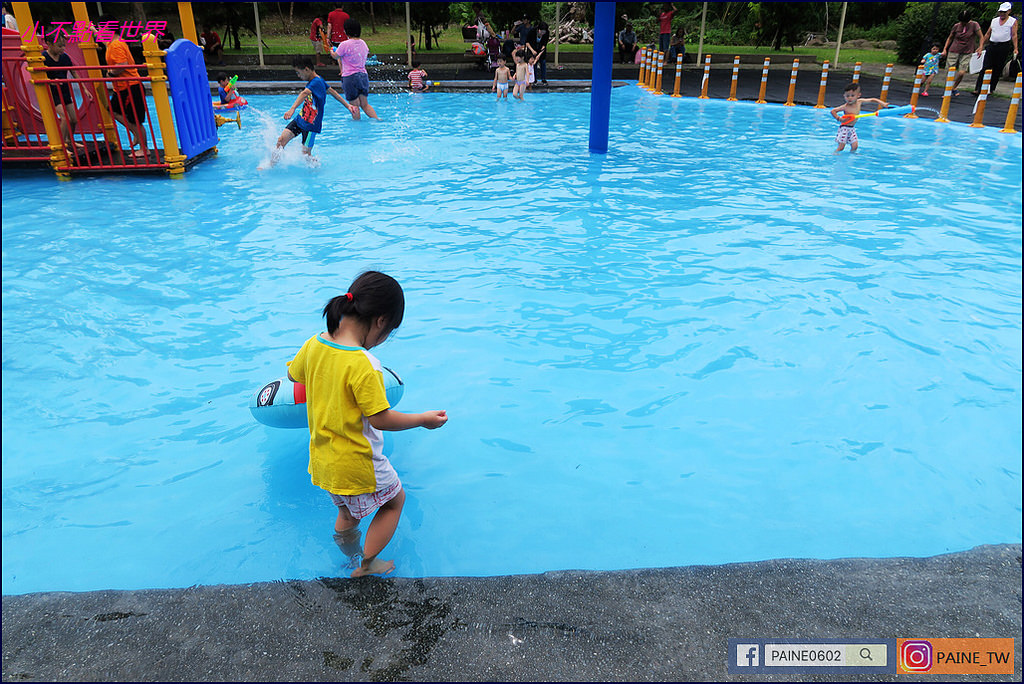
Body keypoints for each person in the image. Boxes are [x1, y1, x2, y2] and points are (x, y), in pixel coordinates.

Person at [287, 272, 448, 577]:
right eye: (388, 333)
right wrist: (423, 420)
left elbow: (296, 376)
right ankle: (367, 564)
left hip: (324, 461)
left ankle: (350, 557)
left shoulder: (314, 344)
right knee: (394, 501)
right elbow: (380, 418)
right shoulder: (363, 365)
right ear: (380, 322)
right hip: (358, 463)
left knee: (347, 513)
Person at [263, 57, 353, 168]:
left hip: (311, 126)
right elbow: (333, 92)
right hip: (300, 119)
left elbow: (304, 93)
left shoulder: (316, 82)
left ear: (306, 69)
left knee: (305, 155)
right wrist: (348, 105)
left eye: (298, 72)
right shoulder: (318, 80)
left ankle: (316, 169)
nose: (298, 75)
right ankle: (270, 165)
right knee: (281, 141)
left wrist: (292, 108)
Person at [104, 29, 149, 160]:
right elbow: (104, 42)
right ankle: (135, 133)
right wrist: (93, 30)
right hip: (122, 88)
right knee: (114, 111)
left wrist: (110, 74)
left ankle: (144, 149)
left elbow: (122, 65)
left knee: (135, 119)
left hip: (130, 86)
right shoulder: (113, 43)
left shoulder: (116, 45)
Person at [42, 34, 83, 155]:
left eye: (64, 46)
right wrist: (51, 82)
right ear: (49, 44)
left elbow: (73, 72)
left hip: (64, 91)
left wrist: (84, 89)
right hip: (52, 92)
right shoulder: (43, 58)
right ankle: (61, 145)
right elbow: (39, 75)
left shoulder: (64, 57)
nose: (63, 49)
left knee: (74, 119)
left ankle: (70, 140)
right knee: (65, 118)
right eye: (60, 46)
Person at [331, 18, 379, 121]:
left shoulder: (344, 44)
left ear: (346, 31)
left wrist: (331, 51)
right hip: (363, 76)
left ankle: (357, 127)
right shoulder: (363, 43)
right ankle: (377, 120)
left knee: (354, 106)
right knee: (365, 105)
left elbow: (336, 56)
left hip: (350, 77)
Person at [974, 2, 1019, 96]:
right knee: (986, 66)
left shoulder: (1012, 21)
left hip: (1003, 46)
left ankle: (991, 88)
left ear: (1009, 11)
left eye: (1004, 12)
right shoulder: (994, 21)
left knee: (997, 67)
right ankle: (978, 88)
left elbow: (1014, 35)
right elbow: (987, 34)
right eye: (1001, 12)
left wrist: (1015, 48)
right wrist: (981, 45)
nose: (1002, 14)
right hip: (992, 45)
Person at [829, 82, 889, 153]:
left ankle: (852, 155)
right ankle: (835, 154)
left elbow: (872, 100)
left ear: (858, 95)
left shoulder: (859, 102)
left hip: (852, 128)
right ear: (844, 96)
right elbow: (833, 111)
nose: (850, 98)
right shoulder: (845, 106)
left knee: (855, 146)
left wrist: (882, 103)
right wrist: (839, 118)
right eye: (847, 96)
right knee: (841, 147)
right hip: (844, 128)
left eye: (852, 95)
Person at [942, 9, 984, 95]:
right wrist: (945, 49)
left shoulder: (974, 25)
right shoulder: (956, 26)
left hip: (967, 51)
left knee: (962, 72)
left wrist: (980, 47)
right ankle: (948, 90)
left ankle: (954, 87)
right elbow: (950, 37)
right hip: (954, 50)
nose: (963, 23)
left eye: (965, 22)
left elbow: (981, 37)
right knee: (950, 71)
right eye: (962, 22)